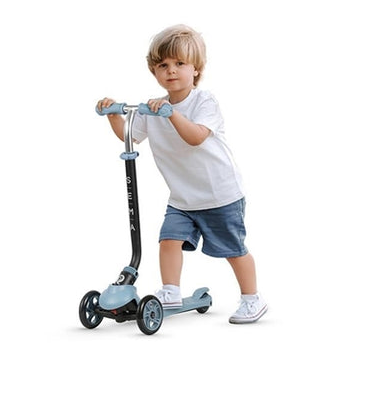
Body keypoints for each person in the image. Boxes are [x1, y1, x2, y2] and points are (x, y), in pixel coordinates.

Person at [97, 24, 267, 324]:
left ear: (196, 70)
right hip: (182, 199)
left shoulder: (204, 102)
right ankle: (171, 291)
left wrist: (171, 113)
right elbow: (130, 136)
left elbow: (196, 137)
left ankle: (252, 299)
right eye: (163, 65)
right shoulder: (153, 108)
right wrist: (114, 116)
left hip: (219, 195)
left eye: (179, 63)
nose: (171, 71)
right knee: (168, 241)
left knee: (233, 250)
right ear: (154, 71)